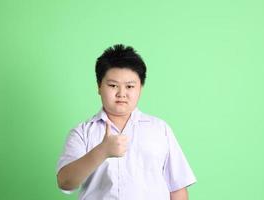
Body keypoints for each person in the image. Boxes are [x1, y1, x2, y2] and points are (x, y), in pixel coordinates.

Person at [56, 44, 197, 200]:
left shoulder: (160, 129)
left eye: (130, 86)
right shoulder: (82, 132)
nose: (121, 93)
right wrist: (102, 150)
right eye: (113, 85)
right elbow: (65, 182)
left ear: (140, 88)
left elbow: (177, 188)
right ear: (99, 86)